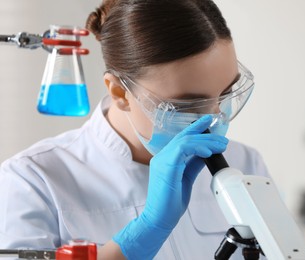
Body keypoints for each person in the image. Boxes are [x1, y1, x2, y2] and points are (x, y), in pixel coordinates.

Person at [0, 0, 269, 259]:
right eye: (188, 104)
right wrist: (144, 234)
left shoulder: (245, 165)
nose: (214, 119)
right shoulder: (32, 182)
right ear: (119, 92)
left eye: (226, 93)